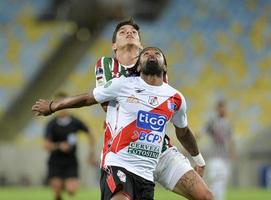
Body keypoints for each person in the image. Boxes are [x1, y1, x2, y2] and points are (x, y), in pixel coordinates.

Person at [32, 47, 213, 200]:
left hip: (146, 172)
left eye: (156, 54)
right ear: (139, 66)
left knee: (207, 197)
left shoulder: (176, 98)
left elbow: (183, 131)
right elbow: (88, 98)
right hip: (120, 163)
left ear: (165, 66)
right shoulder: (122, 84)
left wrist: (198, 159)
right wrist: (54, 105)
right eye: (146, 54)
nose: (151, 55)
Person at [95, 18, 210, 200]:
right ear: (114, 45)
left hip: (158, 148)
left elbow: (160, 104)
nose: (129, 33)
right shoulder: (107, 65)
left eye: (133, 32)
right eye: (123, 32)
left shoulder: (153, 64)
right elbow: (105, 103)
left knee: (205, 196)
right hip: (125, 151)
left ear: (140, 43)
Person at [43, 92, 96, 200]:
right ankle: (59, 184)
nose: (62, 107)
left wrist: (91, 154)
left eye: (64, 103)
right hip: (55, 161)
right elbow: (46, 145)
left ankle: (65, 184)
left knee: (71, 191)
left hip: (71, 161)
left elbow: (90, 133)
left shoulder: (75, 122)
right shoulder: (52, 124)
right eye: (59, 103)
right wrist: (59, 146)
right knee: (57, 193)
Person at [204, 100, 236, 200]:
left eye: (223, 108)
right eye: (220, 108)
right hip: (214, 156)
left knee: (222, 180)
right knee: (215, 179)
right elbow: (202, 132)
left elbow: (230, 139)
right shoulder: (212, 122)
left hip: (224, 156)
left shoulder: (228, 123)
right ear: (217, 109)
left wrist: (232, 153)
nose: (222, 110)